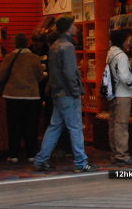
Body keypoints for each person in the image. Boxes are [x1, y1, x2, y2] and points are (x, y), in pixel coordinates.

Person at [34, 15, 97, 173]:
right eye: (73, 25)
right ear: (68, 28)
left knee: (54, 126)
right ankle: (81, 162)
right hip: (68, 93)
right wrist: (76, 91)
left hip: (57, 92)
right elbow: (69, 72)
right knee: (75, 127)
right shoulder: (67, 47)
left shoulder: (55, 45)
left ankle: (41, 159)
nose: (76, 27)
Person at [0, 33, 43, 163]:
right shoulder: (34, 58)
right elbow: (40, 76)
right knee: (31, 126)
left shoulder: (9, 57)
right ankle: (31, 153)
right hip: (31, 96)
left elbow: (1, 75)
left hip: (12, 95)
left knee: (13, 125)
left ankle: (14, 154)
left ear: (15, 43)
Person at [106, 29, 132, 165]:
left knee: (113, 124)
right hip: (122, 94)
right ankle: (122, 155)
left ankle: (115, 152)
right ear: (122, 41)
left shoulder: (110, 53)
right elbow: (125, 76)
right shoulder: (122, 56)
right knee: (121, 125)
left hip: (112, 93)